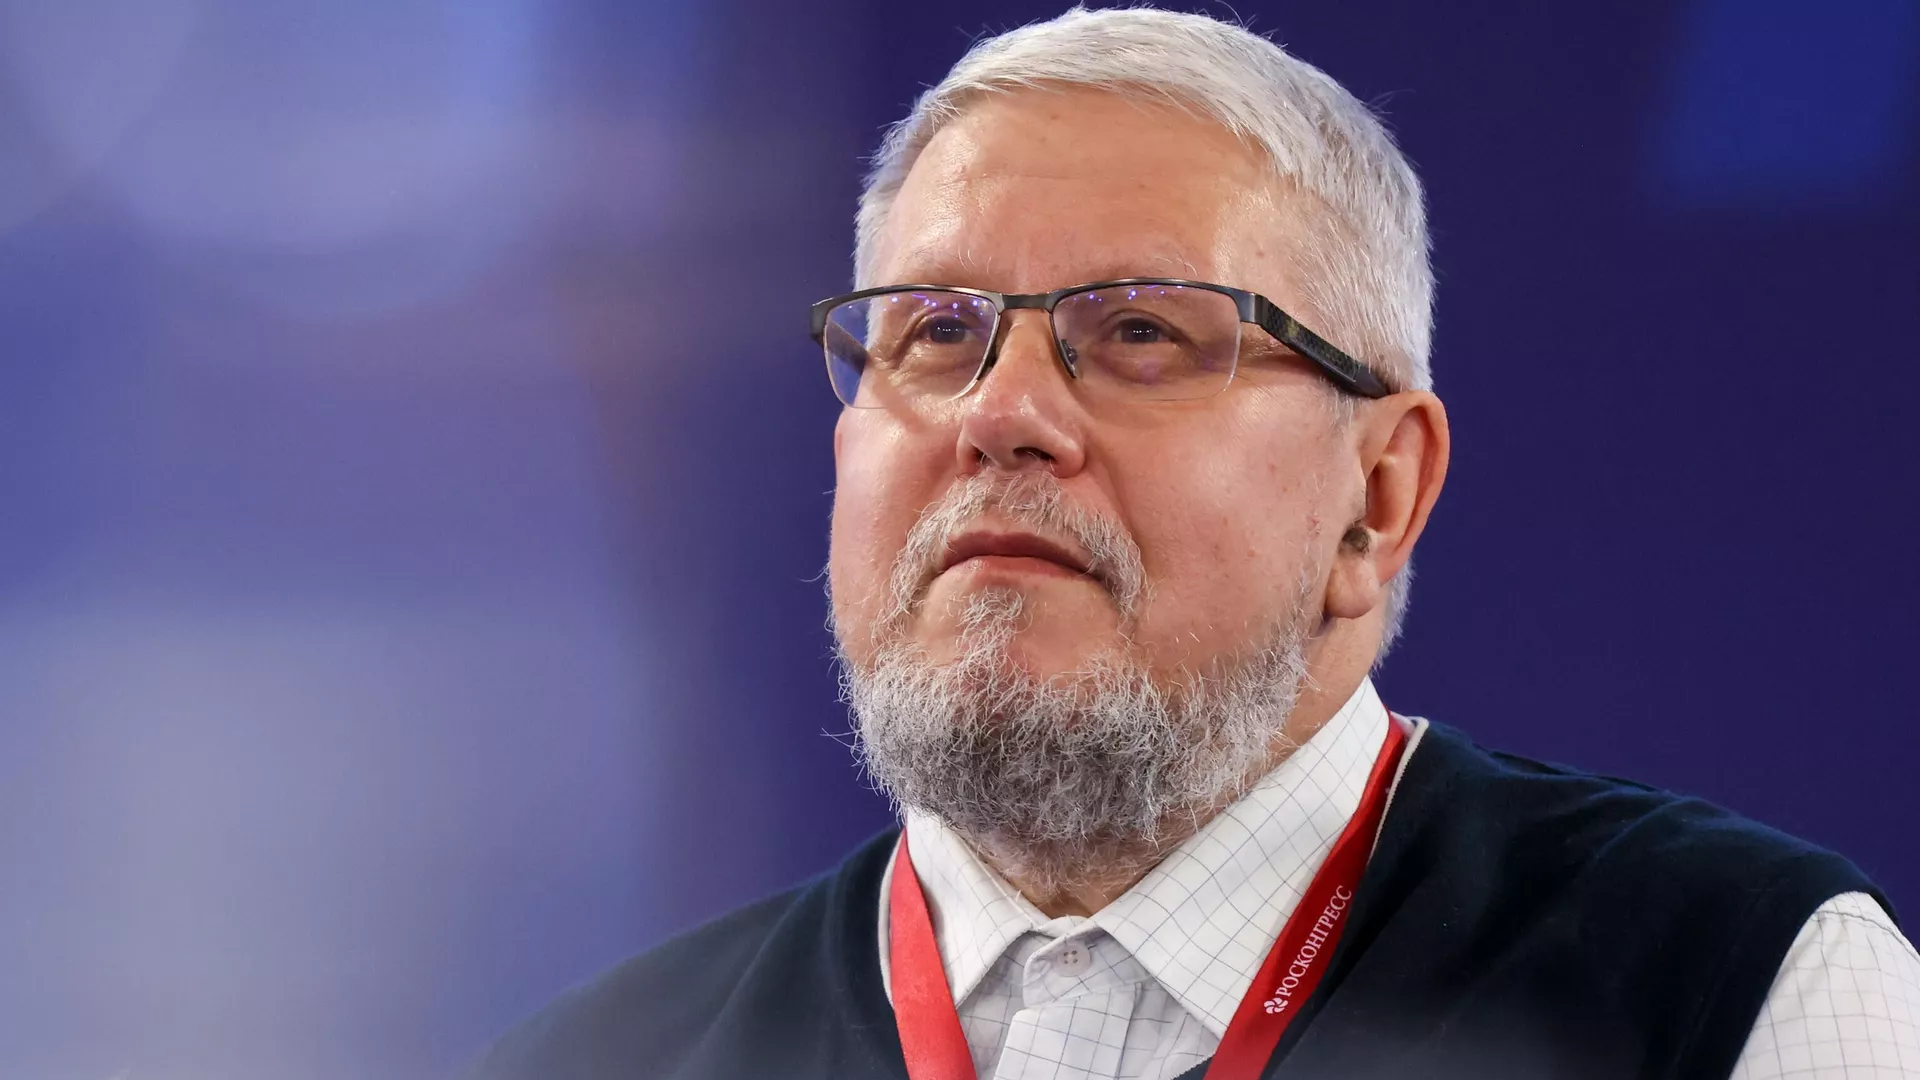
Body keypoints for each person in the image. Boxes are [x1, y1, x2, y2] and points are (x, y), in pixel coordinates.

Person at [475, 8, 1917, 1079]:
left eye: (1141, 332)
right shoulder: (595, 1063)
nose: (1002, 415)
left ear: (1378, 494)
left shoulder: (1738, 996)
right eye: (936, 334)